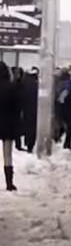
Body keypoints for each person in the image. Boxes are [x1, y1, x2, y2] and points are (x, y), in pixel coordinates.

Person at [0, 62, 20, 191]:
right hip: (8, 124)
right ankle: (9, 183)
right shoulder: (12, 87)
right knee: (8, 155)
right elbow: (17, 107)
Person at [22, 68, 39, 153]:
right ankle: (30, 145)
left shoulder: (24, 83)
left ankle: (26, 141)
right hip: (35, 108)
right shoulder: (37, 85)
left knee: (27, 125)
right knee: (32, 127)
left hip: (26, 108)